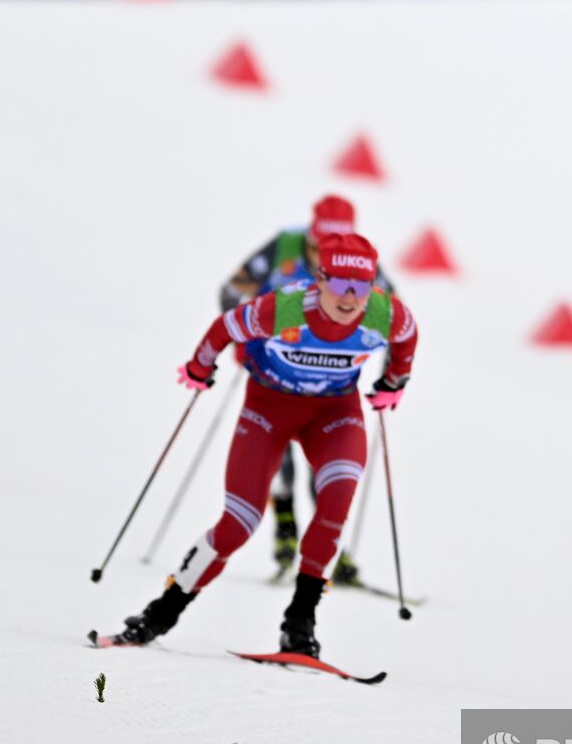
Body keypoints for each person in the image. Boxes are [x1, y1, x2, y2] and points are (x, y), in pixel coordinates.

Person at [107, 232, 417, 656]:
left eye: (361, 287)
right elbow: (224, 327)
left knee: (337, 498)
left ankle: (300, 622)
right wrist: (200, 367)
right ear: (319, 279)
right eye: (340, 284)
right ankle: (159, 615)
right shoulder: (284, 307)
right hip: (268, 411)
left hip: (333, 414)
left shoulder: (385, 314)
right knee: (239, 523)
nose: (349, 297)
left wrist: (395, 382)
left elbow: (407, 339)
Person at [219, 194, 398, 582]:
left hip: (330, 378)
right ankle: (285, 535)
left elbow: (392, 313)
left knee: (331, 469)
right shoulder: (284, 246)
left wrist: (387, 375)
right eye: (317, 245)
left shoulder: (357, 259)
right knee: (275, 451)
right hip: (276, 369)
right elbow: (232, 291)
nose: (323, 254)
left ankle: (332, 552)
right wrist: (242, 339)